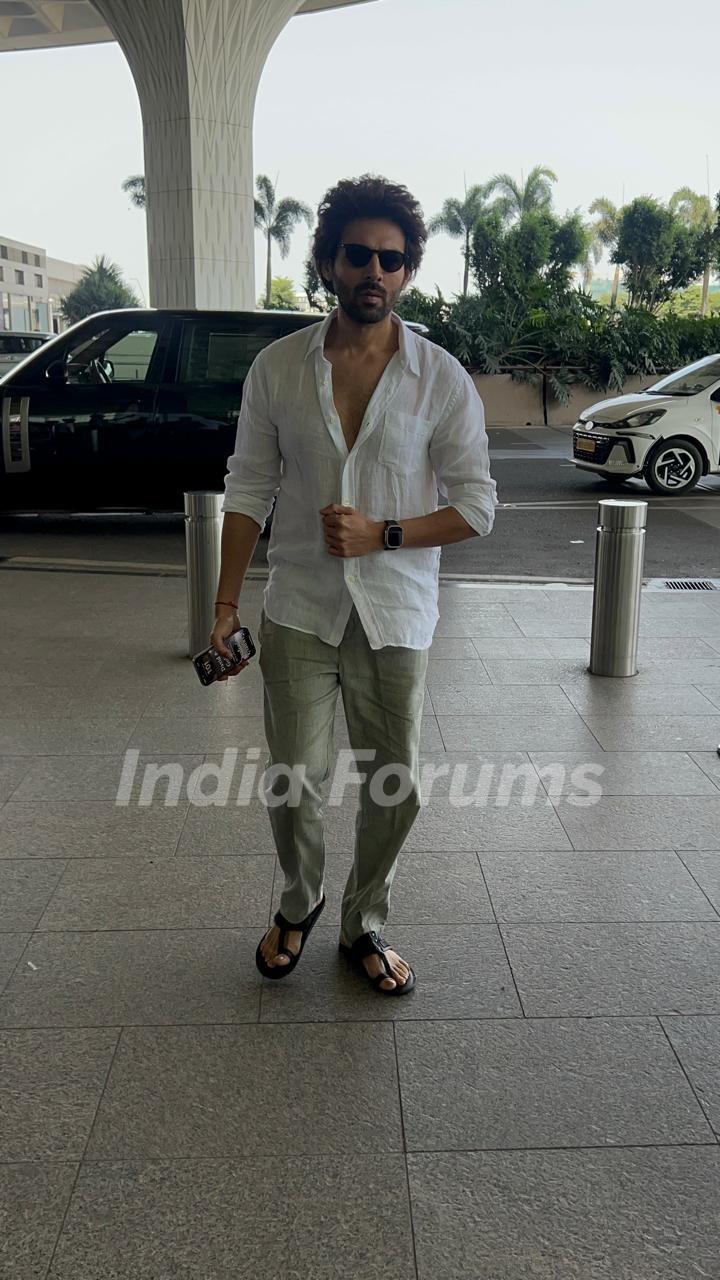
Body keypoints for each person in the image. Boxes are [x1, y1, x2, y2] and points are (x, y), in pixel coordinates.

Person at [211, 174, 496, 995]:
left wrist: (385, 534)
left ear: (408, 272)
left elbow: (477, 505)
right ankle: (300, 903)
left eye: (394, 259)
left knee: (392, 786)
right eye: (359, 254)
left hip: (395, 613)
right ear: (331, 262)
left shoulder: (439, 378)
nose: (377, 270)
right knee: (293, 781)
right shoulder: (276, 369)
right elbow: (247, 489)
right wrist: (225, 606)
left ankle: (364, 920)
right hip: (300, 608)